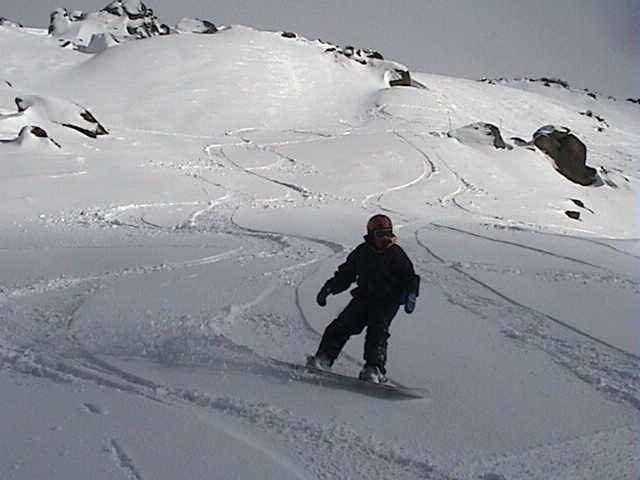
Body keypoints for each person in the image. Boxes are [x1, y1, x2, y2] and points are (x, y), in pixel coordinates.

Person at [308, 214, 420, 383]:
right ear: (371, 234)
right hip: (364, 297)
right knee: (341, 326)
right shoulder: (362, 252)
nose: (385, 239)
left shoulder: (395, 254)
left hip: (387, 301)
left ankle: (374, 369)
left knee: (377, 332)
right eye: (380, 235)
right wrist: (330, 288)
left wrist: (411, 295)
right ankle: (324, 358)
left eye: (388, 233)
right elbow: (346, 274)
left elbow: (409, 277)